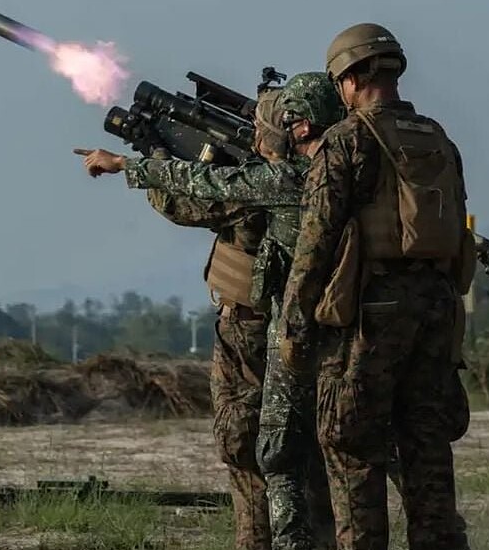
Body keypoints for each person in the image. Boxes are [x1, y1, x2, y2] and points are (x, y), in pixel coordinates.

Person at [76, 72, 346, 550]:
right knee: (305, 441)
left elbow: (185, 200)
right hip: (317, 328)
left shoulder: (269, 181)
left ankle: (259, 539)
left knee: (249, 442)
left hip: (252, 324)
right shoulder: (336, 175)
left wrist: (146, 156)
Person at [283, 23, 472, 550]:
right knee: (427, 449)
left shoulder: (346, 142)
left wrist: (295, 325)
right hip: (436, 309)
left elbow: (314, 241)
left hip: (374, 314)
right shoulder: (438, 137)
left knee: (351, 448)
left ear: (348, 78)